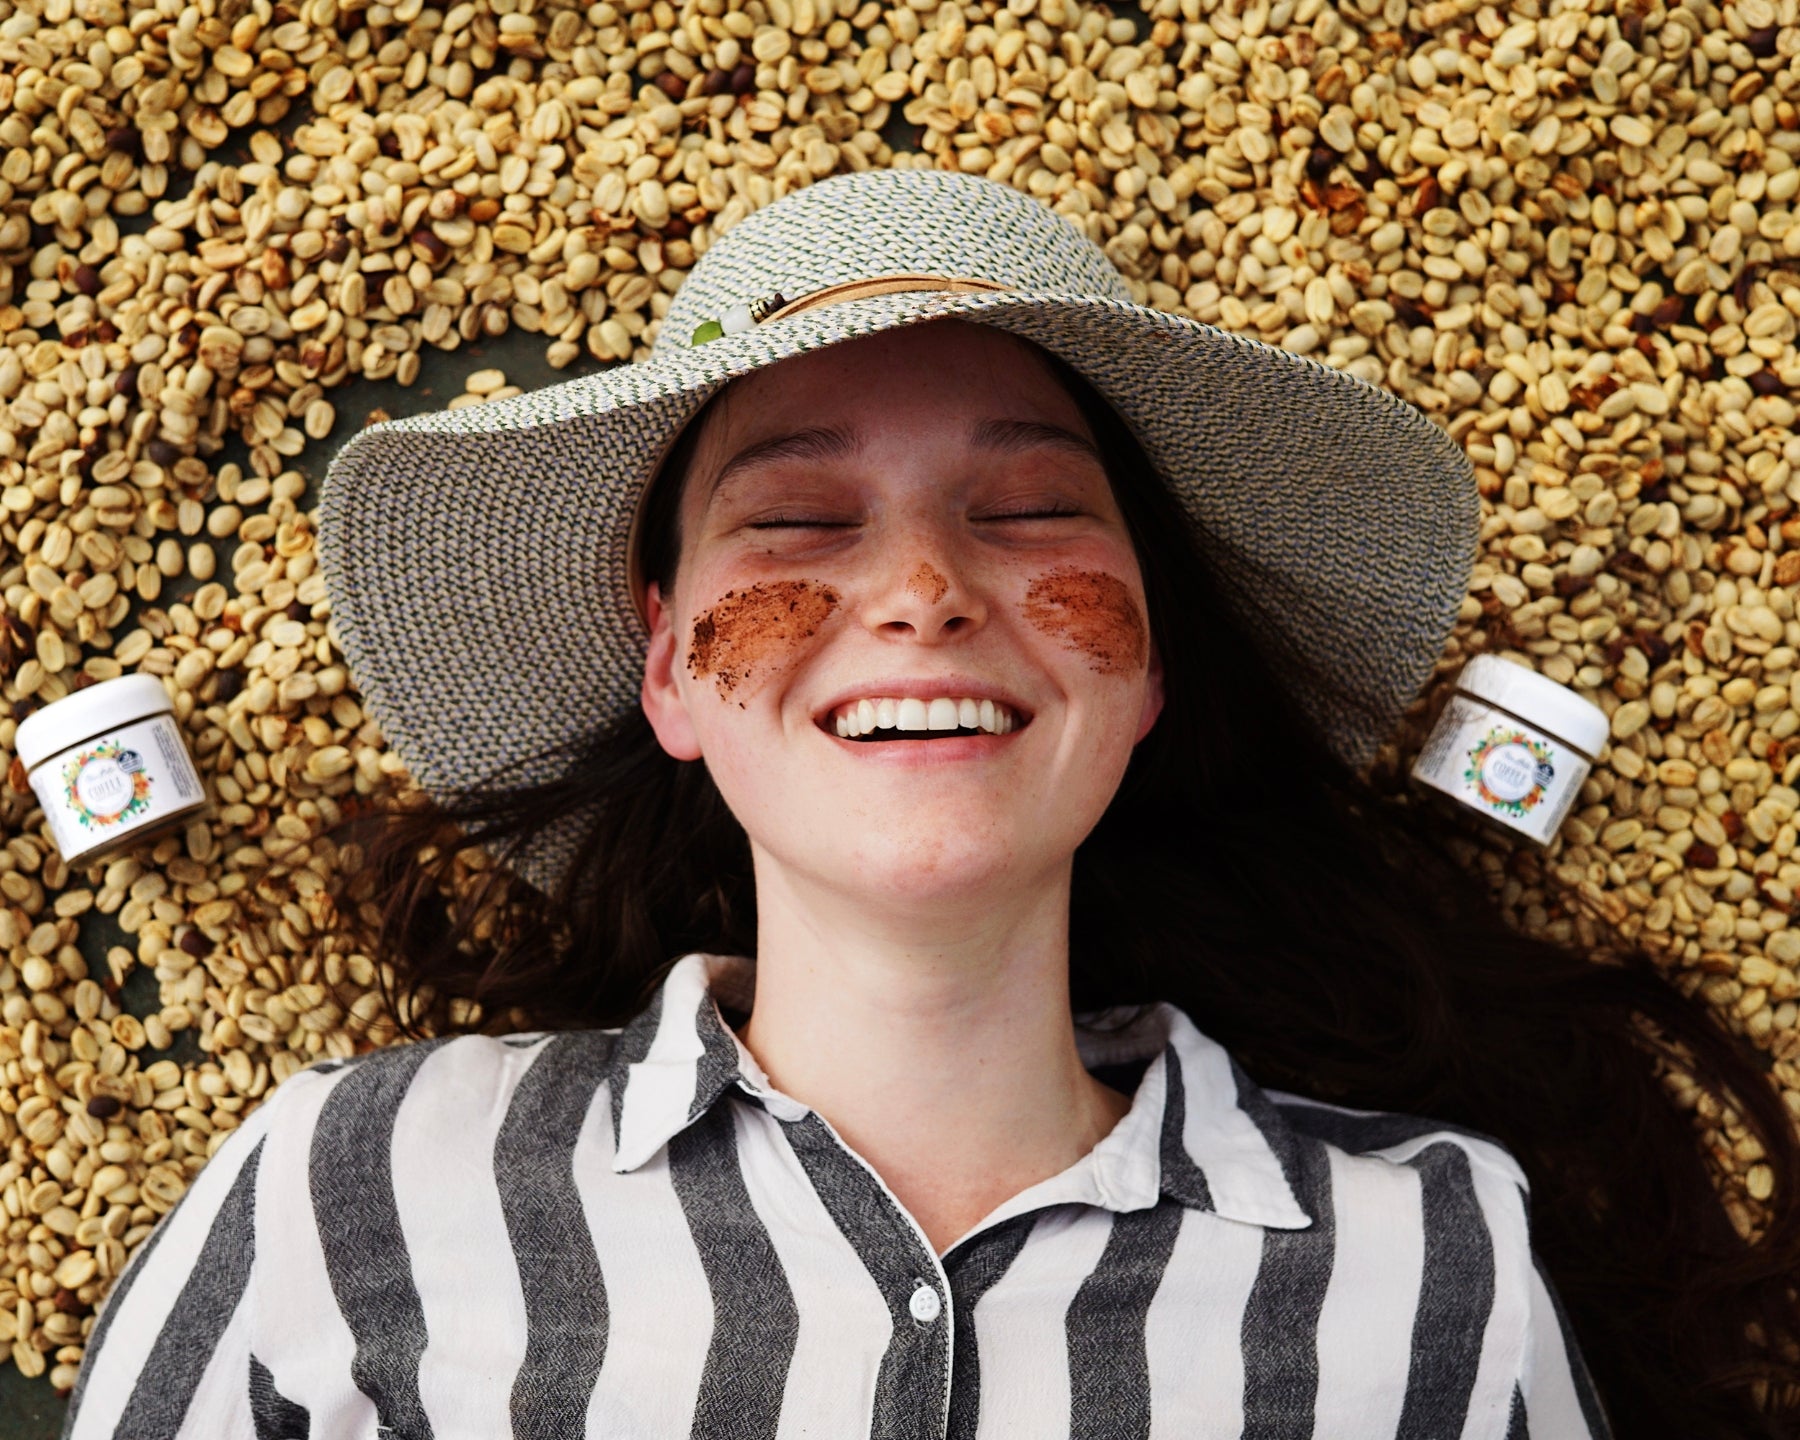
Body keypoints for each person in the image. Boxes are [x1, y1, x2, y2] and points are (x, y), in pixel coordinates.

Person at [59, 170, 1800, 1439]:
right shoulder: (346, 1191)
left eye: (1033, 509)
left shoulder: (1436, 1254)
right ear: (667, 670)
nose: (921, 589)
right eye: (798, 522)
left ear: (1148, 665)